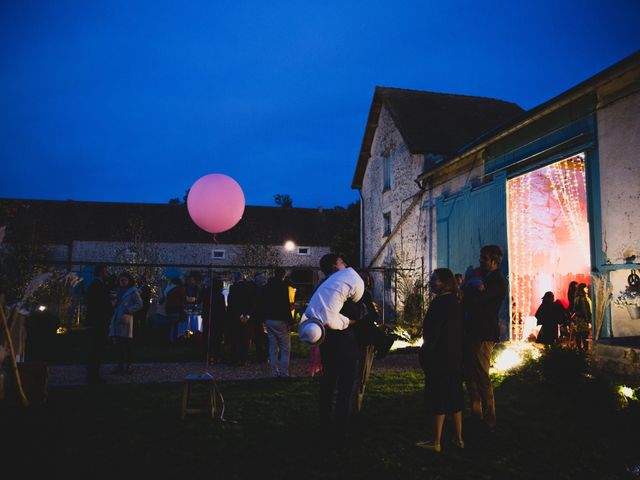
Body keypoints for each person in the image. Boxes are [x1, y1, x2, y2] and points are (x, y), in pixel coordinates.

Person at [298, 253, 364, 445]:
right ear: (335, 268)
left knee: (328, 383)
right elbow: (356, 314)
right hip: (345, 343)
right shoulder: (342, 289)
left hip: (327, 343)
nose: (345, 264)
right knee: (345, 386)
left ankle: (324, 423)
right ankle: (341, 428)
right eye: (342, 262)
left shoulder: (321, 288)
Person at [416, 268, 465, 453]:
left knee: (439, 397)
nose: (431, 282)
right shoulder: (457, 301)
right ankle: (459, 438)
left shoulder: (439, 303)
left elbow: (433, 333)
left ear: (444, 283)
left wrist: (425, 353)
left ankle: (436, 441)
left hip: (439, 356)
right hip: (455, 355)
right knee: (455, 396)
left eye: (434, 279)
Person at [462, 244, 507, 432]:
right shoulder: (484, 278)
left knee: (481, 375)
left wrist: (471, 284)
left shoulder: (497, 281)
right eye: (481, 257)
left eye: (484, 258)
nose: (480, 260)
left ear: (494, 262)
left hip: (484, 333)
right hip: (472, 330)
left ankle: (490, 419)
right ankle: (476, 412)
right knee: (470, 375)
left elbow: (478, 300)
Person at [261, 268, 294, 377]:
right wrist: (290, 320)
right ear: (283, 275)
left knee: (273, 347)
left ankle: (274, 372)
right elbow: (285, 304)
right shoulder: (283, 287)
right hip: (281, 320)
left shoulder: (266, 287)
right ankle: (284, 373)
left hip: (269, 319)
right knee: (285, 348)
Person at [108, 272, 143, 374]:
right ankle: (120, 365)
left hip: (125, 319)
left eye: (124, 280)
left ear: (128, 281)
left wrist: (129, 309)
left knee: (126, 344)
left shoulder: (132, 291)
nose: (122, 282)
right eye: (121, 280)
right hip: (117, 318)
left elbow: (140, 303)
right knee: (118, 344)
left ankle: (128, 365)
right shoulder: (118, 291)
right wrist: (113, 301)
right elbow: (115, 304)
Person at [85, 264, 114, 384]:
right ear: (102, 272)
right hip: (99, 321)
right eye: (107, 271)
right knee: (96, 349)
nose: (108, 273)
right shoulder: (98, 285)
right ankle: (93, 376)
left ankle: (93, 374)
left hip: (97, 320)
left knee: (96, 349)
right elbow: (101, 303)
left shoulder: (96, 284)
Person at [227, 272, 257, 366]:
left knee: (235, 339)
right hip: (247, 317)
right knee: (245, 339)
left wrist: (240, 315)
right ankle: (244, 360)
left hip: (236, 317)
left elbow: (231, 303)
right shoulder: (251, 287)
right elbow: (253, 303)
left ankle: (235, 359)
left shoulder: (233, 288)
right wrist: (247, 315)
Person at [199, 277, 227, 363]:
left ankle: (207, 355)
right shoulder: (219, 295)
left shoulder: (207, 294)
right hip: (217, 319)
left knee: (207, 337)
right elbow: (222, 309)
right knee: (216, 338)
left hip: (208, 317)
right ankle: (215, 356)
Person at [163, 277, 186, 344]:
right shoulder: (180, 289)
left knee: (170, 324)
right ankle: (175, 340)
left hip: (169, 308)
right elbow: (183, 297)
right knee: (176, 325)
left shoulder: (168, 288)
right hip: (177, 308)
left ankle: (168, 339)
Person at [573, 283, 592, 351]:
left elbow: (574, 309)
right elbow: (585, 311)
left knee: (579, 334)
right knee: (585, 335)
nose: (587, 289)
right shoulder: (583, 298)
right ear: (582, 289)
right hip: (583, 319)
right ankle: (585, 349)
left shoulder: (576, 298)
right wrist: (588, 321)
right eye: (586, 288)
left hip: (578, 319)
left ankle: (579, 349)